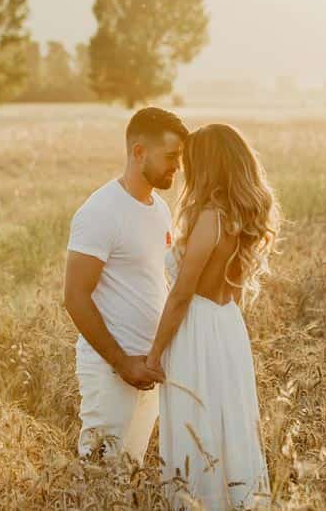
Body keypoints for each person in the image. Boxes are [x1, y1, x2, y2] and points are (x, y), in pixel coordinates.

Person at [145, 123, 281, 510]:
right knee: (229, 423)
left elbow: (182, 294)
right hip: (228, 326)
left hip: (198, 329)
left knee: (197, 429)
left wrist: (154, 354)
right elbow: (232, 289)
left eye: (190, 162)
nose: (184, 170)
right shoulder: (241, 218)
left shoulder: (211, 217)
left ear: (207, 165)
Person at [63, 107, 188, 463]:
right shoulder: (101, 210)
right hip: (111, 370)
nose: (176, 167)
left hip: (148, 366)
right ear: (138, 152)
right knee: (99, 479)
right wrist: (121, 363)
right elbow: (75, 297)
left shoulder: (160, 209)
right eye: (171, 157)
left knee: (127, 477)